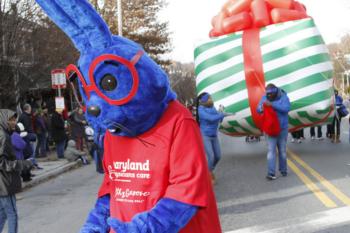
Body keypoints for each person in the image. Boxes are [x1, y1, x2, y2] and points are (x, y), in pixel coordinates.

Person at [0, 109, 32, 233]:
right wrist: (23, 164)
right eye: (11, 120)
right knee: (12, 213)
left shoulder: (4, 134)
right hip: (5, 182)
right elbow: (2, 163)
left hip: (3, 182)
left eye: (14, 119)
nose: (14, 122)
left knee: (3, 213)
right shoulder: (3, 136)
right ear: (4, 120)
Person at [257, 83, 291, 180]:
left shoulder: (284, 97)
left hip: (282, 129)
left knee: (282, 151)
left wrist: (272, 105)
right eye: (267, 94)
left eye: (271, 94)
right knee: (271, 151)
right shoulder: (265, 97)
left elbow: (287, 108)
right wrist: (261, 108)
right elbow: (258, 109)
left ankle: (283, 170)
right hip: (270, 129)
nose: (269, 96)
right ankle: (271, 173)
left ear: (276, 92)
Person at [196, 92, 228, 184]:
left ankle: (208, 170)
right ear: (204, 101)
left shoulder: (213, 107)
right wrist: (221, 115)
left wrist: (221, 112)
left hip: (214, 135)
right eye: (209, 98)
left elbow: (218, 119)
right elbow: (210, 118)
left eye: (211, 98)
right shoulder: (200, 110)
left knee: (218, 156)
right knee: (211, 156)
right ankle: (208, 174)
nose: (211, 100)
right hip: (205, 135)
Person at [18, 104, 41, 169]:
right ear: (28, 109)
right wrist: (32, 134)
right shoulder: (25, 116)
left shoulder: (24, 116)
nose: (31, 110)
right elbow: (27, 127)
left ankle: (33, 163)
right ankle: (32, 164)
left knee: (31, 150)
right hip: (28, 136)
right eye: (30, 108)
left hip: (27, 135)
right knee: (31, 151)